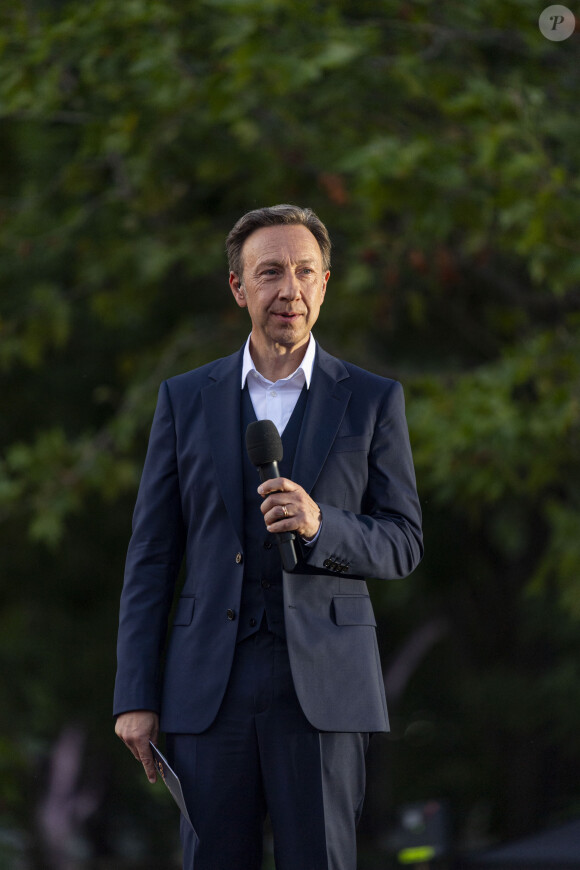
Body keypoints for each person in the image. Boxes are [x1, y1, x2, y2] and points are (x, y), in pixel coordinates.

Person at [113, 204, 423, 870]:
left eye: (305, 272)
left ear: (326, 281)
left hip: (325, 689)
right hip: (207, 690)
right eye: (271, 272)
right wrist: (135, 695)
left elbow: (403, 543)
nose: (290, 289)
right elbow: (151, 556)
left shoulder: (371, 399)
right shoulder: (184, 398)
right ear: (238, 286)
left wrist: (322, 524)